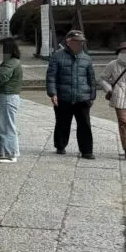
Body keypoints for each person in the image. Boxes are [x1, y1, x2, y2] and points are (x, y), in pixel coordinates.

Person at [46, 29, 98, 159]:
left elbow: (91, 78)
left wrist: (92, 95)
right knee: (62, 122)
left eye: (81, 42)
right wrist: (53, 93)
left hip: (82, 97)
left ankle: (87, 151)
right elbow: (51, 77)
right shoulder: (57, 56)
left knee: (85, 124)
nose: (78, 44)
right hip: (63, 96)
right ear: (68, 42)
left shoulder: (86, 58)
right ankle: (60, 145)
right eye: (75, 42)